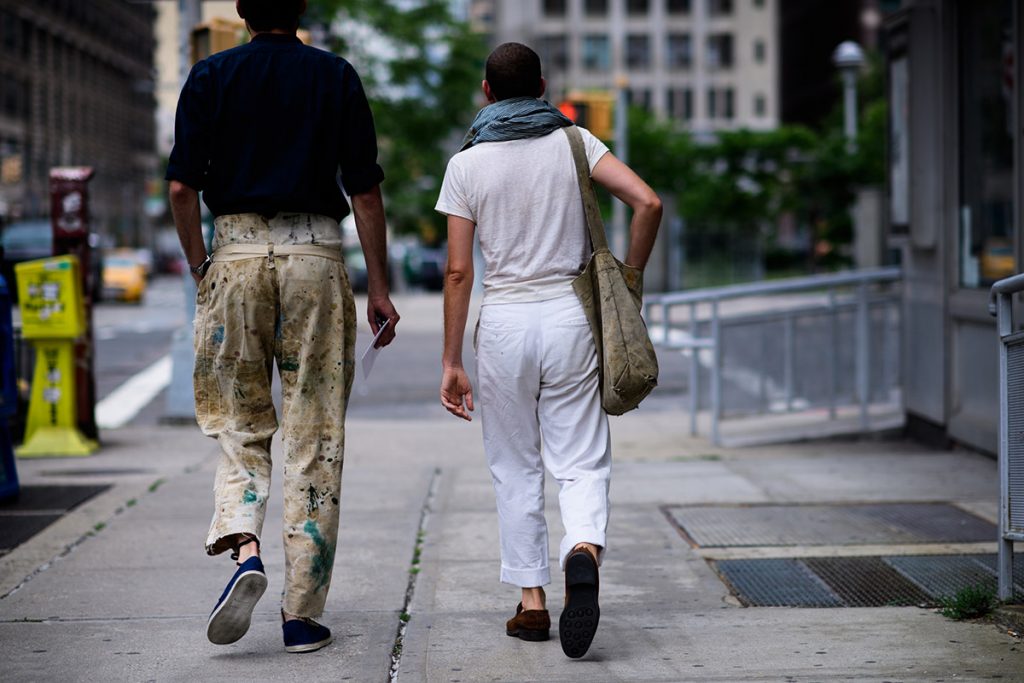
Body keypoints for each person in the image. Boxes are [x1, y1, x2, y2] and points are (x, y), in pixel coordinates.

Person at [166, 0, 399, 654]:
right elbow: (365, 191)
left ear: (241, 11)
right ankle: (302, 612)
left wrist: (198, 264)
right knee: (314, 430)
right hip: (316, 259)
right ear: (300, 10)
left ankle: (244, 547)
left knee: (239, 419)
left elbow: (183, 188)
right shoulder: (336, 76)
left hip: (235, 256)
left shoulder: (211, 77)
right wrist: (378, 286)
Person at [435, 42, 661, 659]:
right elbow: (647, 203)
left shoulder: (468, 164)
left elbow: (459, 273)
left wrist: (453, 361)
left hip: (505, 321)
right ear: (542, 86)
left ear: (486, 92)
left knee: (515, 465)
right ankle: (582, 550)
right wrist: (629, 281)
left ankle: (532, 602)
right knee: (580, 459)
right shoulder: (576, 142)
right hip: (571, 318)